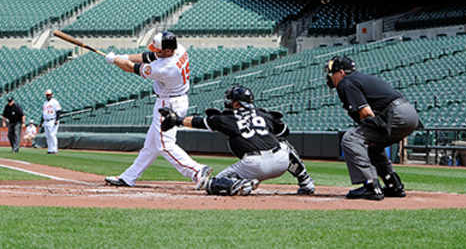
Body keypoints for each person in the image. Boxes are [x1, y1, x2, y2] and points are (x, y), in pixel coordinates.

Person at [160, 85, 315, 196]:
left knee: (213, 183)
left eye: (231, 99)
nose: (228, 102)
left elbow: (199, 122)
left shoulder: (228, 117)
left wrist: (177, 120)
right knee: (284, 146)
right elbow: (284, 131)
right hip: (280, 163)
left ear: (237, 103)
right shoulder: (264, 114)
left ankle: (243, 185)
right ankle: (306, 182)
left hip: (253, 165)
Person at [103, 31, 212, 188]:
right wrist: (123, 56)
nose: (156, 52)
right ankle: (128, 177)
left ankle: (197, 170)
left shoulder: (165, 68)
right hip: (177, 98)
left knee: (164, 145)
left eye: (159, 50)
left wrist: (115, 60)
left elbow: (131, 68)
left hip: (168, 105)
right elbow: (147, 56)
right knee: (151, 145)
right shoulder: (178, 49)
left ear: (168, 50)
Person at [325, 56, 421, 200]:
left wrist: (374, 126)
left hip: (396, 114)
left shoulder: (346, 82)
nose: (330, 77)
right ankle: (393, 185)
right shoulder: (359, 78)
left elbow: (366, 113)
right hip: (409, 114)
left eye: (332, 73)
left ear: (342, 73)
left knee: (351, 139)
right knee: (373, 146)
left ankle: (370, 186)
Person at [41, 89, 62, 154]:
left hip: (52, 120)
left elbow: (58, 111)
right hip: (46, 120)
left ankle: (55, 149)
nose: (48, 96)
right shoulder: (45, 103)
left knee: (52, 135)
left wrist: (57, 120)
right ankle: (50, 149)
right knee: (48, 136)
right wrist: (41, 122)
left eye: (49, 95)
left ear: (52, 95)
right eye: (47, 95)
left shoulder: (55, 102)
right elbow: (43, 113)